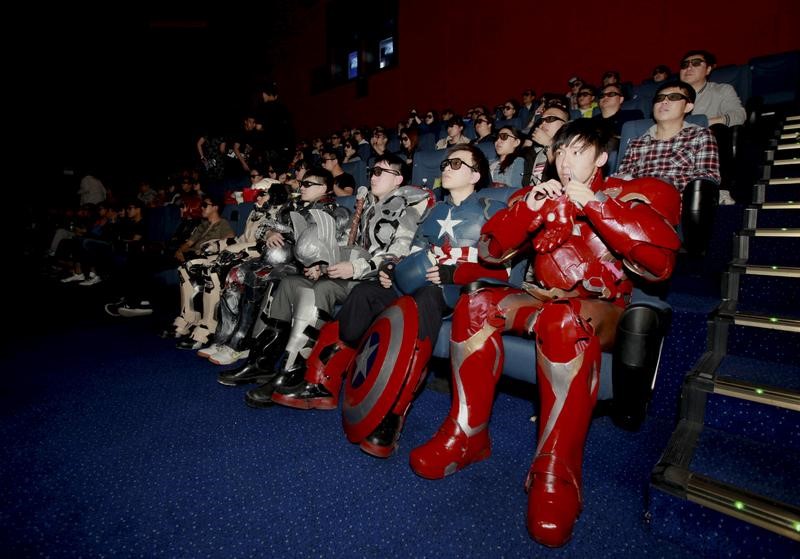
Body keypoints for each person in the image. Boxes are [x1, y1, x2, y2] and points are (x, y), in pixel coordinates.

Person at [408, 119, 682, 547]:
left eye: (577, 151)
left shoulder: (635, 192)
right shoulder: (534, 194)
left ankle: (557, 471)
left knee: (563, 320)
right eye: (559, 152)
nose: (566, 161)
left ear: (602, 156)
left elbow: (659, 263)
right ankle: (467, 434)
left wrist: (595, 205)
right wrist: (527, 210)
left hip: (603, 307)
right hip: (541, 297)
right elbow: (492, 251)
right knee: (476, 304)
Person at [271, 145, 509, 458]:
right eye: (445, 162)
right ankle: (323, 380)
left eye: (456, 163)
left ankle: (392, 413)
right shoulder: (435, 212)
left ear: (476, 174)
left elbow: (506, 267)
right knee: (366, 291)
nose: (446, 167)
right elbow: (413, 252)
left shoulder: (491, 207)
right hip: (417, 279)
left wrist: (457, 272)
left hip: (456, 291)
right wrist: (390, 270)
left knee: (425, 299)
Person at [217, 154, 432, 409]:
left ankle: (292, 371)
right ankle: (263, 362)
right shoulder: (366, 204)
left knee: (321, 288)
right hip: (348, 271)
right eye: (372, 171)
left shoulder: (406, 207)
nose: (372, 176)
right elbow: (345, 244)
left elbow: (398, 253)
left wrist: (355, 267)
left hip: (377, 280)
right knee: (286, 283)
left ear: (398, 179)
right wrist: (322, 264)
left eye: (379, 172)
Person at [615, 80, 720, 192]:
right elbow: (621, 180)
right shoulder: (636, 143)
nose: (664, 101)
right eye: (659, 98)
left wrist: (661, 183)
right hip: (635, 200)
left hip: (677, 201)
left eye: (673, 97)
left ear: (688, 107)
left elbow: (707, 177)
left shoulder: (701, 135)